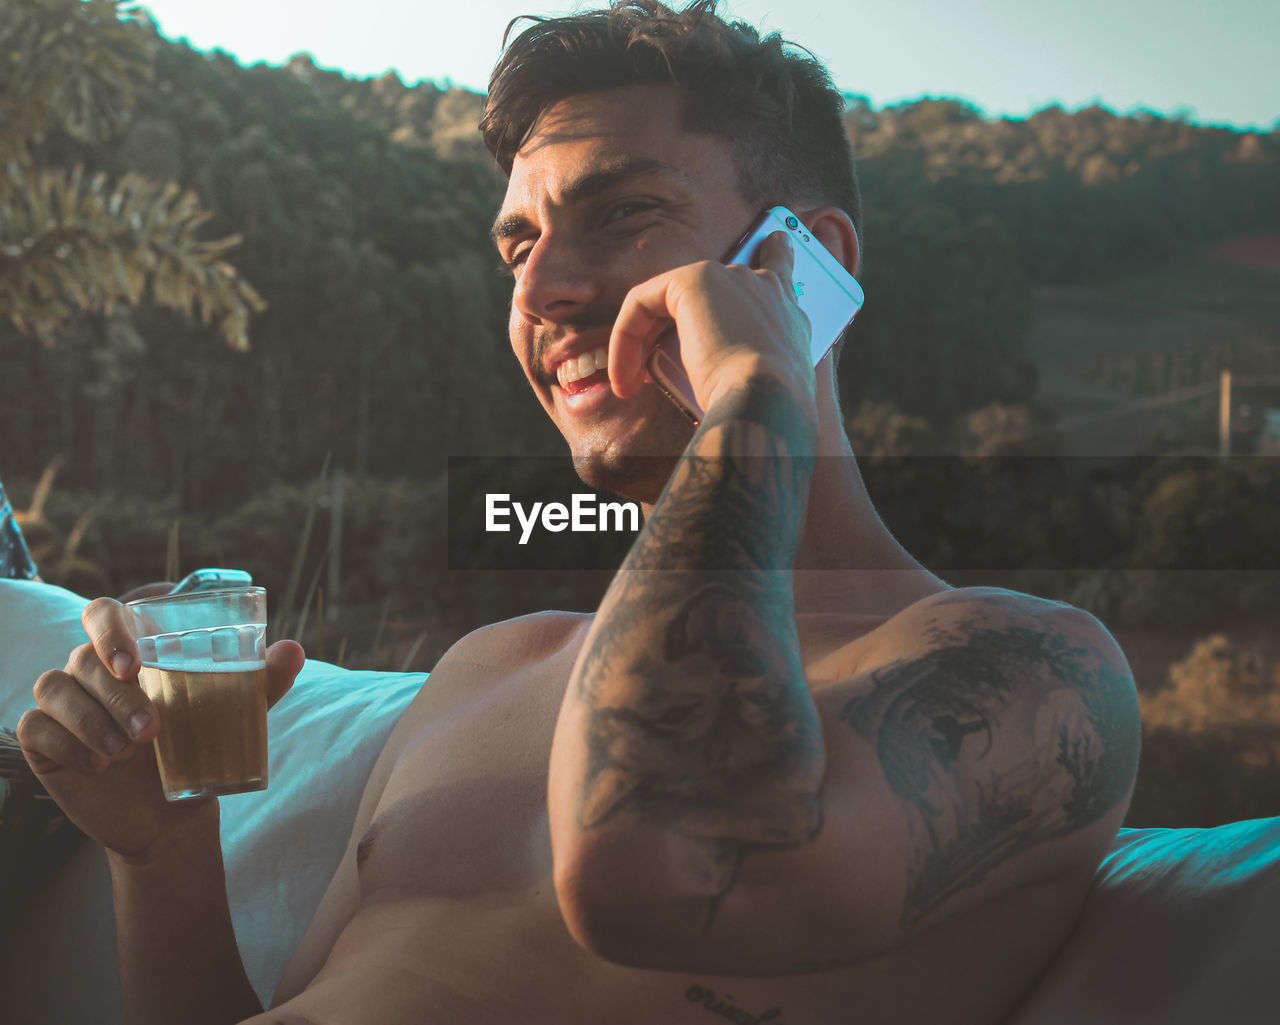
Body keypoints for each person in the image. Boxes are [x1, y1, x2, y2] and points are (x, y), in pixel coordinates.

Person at [16, 3, 1142, 1023]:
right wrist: (162, 853)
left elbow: (645, 861)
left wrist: (756, 390)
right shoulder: (488, 669)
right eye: (518, 246)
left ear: (806, 267)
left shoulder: (1028, 673)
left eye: (623, 212)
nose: (540, 290)